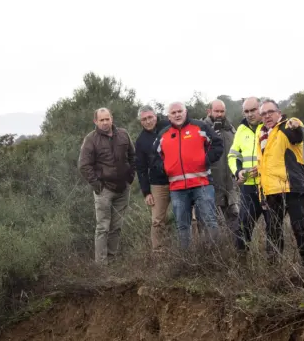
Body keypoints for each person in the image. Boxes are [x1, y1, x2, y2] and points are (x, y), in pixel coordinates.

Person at [155, 101, 222, 249]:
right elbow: (154, 156)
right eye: (173, 113)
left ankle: (214, 257)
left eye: (180, 111)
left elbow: (217, 144)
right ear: (168, 116)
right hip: (177, 187)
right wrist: (165, 168)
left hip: (202, 183)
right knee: (182, 225)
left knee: (209, 221)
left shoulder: (200, 127)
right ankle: (187, 258)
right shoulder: (163, 134)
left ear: (185, 112)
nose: (177, 115)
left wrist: (206, 160)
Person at [257, 99, 304, 267]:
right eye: (263, 113)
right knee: (273, 229)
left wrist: (296, 124)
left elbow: (298, 133)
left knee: (299, 227)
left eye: (270, 112)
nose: (267, 116)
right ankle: (274, 268)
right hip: (271, 190)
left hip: (292, 187)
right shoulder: (262, 135)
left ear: (279, 113)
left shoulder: (286, 127)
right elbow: (265, 164)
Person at [78, 107, 136, 264]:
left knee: (116, 227)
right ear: (95, 121)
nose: (105, 122)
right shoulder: (91, 139)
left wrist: (130, 176)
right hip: (104, 190)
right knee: (103, 227)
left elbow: (133, 156)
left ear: (112, 118)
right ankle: (101, 265)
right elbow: (84, 165)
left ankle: (112, 260)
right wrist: (97, 185)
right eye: (101, 120)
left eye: (107, 119)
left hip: (123, 189)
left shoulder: (123, 134)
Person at [228, 97, 265, 254]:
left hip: (268, 185)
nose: (250, 114)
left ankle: (274, 262)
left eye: (253, 110)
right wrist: (238, 172)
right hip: (248, 187)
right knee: (243, 226)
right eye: (246, 111)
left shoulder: (270, 126)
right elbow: (233, 156)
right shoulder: (241, 130)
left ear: (260, 109)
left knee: (273, 226)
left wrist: (262, 169)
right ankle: (241, 260)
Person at [134, 106, 172, 252]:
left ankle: (193, 251)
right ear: (140, 122)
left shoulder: (169, 127)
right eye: (144, 119)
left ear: (156, 116)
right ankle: (159, 254)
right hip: (158, 183)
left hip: (178, 178)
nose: (148, 121)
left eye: (150, 117)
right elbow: (141, 168)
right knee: (157, 221)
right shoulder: (141, 141)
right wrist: (146, 192)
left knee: (190, 216)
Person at [206, 99, 238, 231]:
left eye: (222, 111)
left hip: (230, 184)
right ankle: (216, 243)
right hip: (211, 185)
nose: (219, 114)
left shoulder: (231, 130)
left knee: (235, 218)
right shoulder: (202, 129)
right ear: (209, 111)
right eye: (216, 111)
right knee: (213, 221)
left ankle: (234, 243)